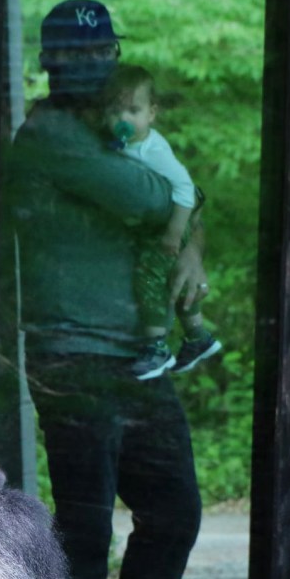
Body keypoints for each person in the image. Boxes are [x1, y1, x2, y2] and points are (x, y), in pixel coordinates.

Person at [5, 0, 218, 579]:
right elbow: (149, 194)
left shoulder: (111, 132)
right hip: (74, 358)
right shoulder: (48, 134)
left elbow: (175, 203)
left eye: (100, 53)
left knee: (174, 511)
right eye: (73, 54)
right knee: (86, 533)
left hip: (137, 358)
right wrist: (170, 217)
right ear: (51, 62)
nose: (89, 66)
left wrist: (184, 242)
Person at [100, 64, 223, 380]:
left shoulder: (153, 149)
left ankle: (156, 347)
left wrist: (175, 233)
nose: (123, 119)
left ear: (151, 113)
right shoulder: (123, 145)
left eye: (133, 110)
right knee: (174, 282)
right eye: (115, 112)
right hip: (152, 228)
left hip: (169, 229)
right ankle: (198, 337)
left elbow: (186, 189)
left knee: (149, 278)